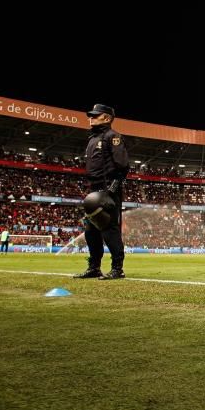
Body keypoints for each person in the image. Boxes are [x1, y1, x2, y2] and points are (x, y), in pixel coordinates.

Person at [74, 103, 129, 280]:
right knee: (91, 231)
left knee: (109, 229)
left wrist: (111, 190)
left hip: (108, 190)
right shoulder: (91, 140)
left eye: (95, 115)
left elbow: (123, 166)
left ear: (107, 118)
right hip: (93, 191)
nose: (91, 118)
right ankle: (94, 267)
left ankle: (117, 268)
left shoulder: (113, 137)